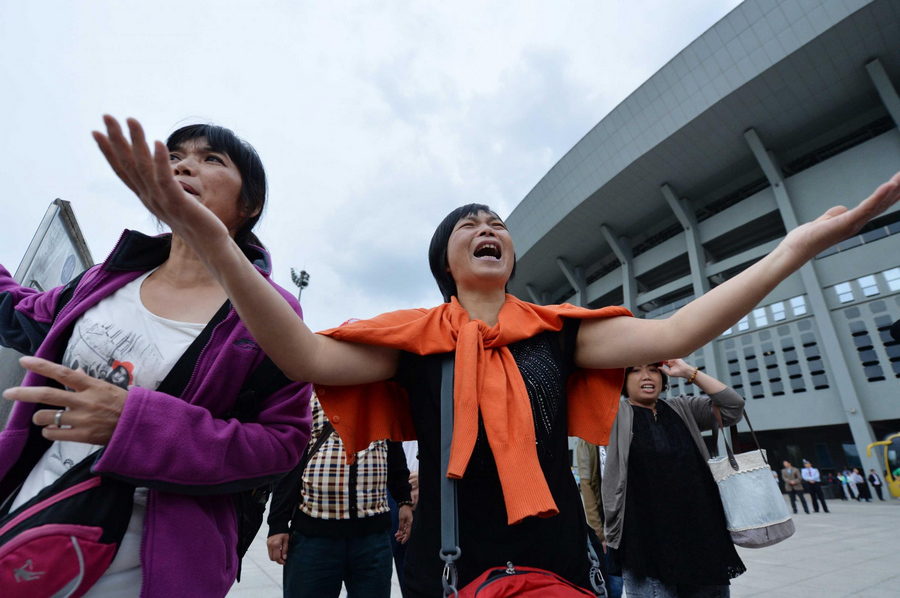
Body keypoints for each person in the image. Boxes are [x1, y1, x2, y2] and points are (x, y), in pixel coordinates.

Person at [96, 115, 900, 595]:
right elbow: (302, 355)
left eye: (497, 223)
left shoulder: (560, 330)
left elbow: (676, 335)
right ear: (445, 260)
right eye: (468, 224)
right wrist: (213, 237)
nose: (488, 227)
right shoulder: (412, 337)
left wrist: (793, 249)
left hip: (561, 558)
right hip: (445, 564)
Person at [0, 122, 313, 597]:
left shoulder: (269, 313)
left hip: (149, 566)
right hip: (33, 523)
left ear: (249, 205)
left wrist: (135, 424)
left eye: (211, 159)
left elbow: (281, 444)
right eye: (174, 157)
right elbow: (21, 312)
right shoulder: (105, 278)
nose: (183, 166)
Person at [603, 359, 746, 596]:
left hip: (701, 533)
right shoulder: (613, 415)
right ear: (623, 381)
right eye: (635, 370)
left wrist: (689, 372)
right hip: (645, 539)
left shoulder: (683, 407)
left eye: (653, 369)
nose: (646, 376)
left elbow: (733, 407)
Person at [266, 394, 412, 598]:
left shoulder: (382, 397)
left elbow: (394, 453)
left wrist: (404, 500)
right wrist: (277, 525)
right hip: (313, 538)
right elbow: (289, 462)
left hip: (372, 539)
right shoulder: (307, 394)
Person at [577, 439, 623, 598]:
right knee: (612, 583)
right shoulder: (586, 443)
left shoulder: (618, 437)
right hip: (604, 528)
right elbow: (587, 488)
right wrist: (599, 534)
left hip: (623, 524)